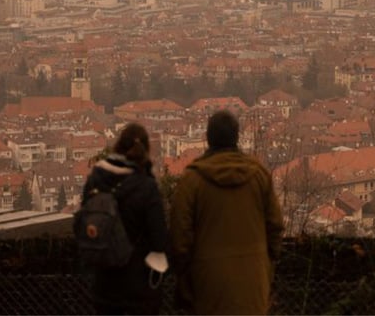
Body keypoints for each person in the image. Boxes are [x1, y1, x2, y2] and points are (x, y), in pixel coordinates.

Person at [169, 110, 284, 315]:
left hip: (208, 280)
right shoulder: (258, 175)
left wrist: (185, 276)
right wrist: (266, 265)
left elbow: (180, 236)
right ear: (237, 136)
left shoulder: (193, 180)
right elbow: (275, 226)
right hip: (253, 278)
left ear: (208, 137)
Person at [81, 123, 168, 315]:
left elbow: (83, 222)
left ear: (118, 146)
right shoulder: (147, 187)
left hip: (103, 283)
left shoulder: (96, 178)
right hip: (138, 286)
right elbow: (160, 239)